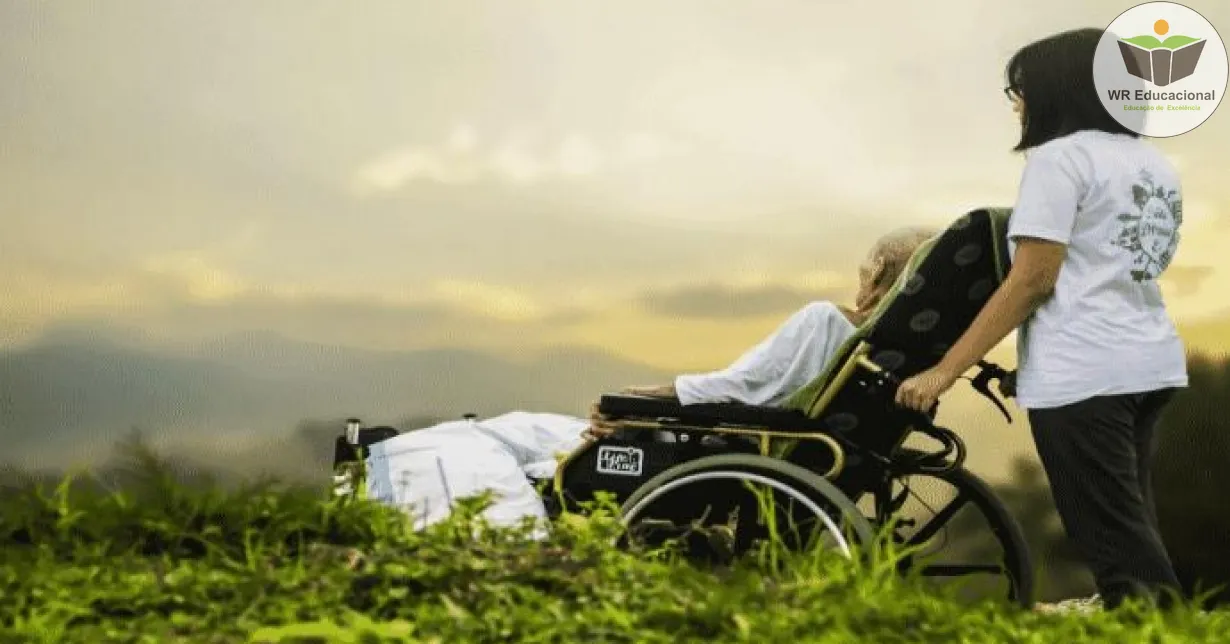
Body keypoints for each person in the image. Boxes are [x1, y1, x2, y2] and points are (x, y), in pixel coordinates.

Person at [364, 225, 937, 532]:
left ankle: (423, 494)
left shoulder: (826, 322)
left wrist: (634, 401)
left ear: (877, 276)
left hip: (721, 447)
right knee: (518, 429)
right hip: (778, 447)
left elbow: (735, 390)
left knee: (483, 438)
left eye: (863, 272)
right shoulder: (892, 355)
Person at [894, 28, 1187, 612]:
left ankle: (1157, 620)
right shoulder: (1153, 164)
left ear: (1060, 87)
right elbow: (1112, 269)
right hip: (1148, 360)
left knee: (1113, 535)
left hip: (1085, 369)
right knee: (1128, 518)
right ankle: (1141, 613)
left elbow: (1033, 279)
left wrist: (943, 371)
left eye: (1020, 89)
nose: (1016, 104)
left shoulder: (1059, 159)